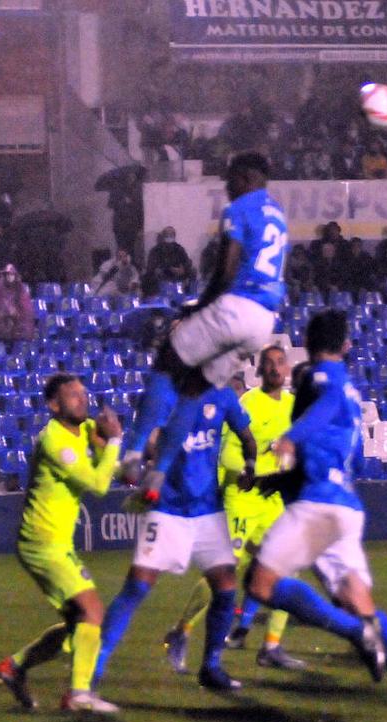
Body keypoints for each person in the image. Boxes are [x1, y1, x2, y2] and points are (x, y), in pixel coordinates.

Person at [245, 310, 387, 722]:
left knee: (260, 583)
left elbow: (325, 407)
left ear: (307, 341)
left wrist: (291, 437)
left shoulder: (321, 378)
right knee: (363, 606)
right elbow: (340, 439)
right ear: (348, 344)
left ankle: (358, 636)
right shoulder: (351, 387)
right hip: (343, 506)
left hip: (317, 507)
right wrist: (279, 479)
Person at [122, 152, 288, 480]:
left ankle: (134, 453)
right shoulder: (277, 215)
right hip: (264, 321)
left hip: (237, 307)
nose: (227, 186)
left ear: (243, 177)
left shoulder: (239, 209)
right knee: (194, 389)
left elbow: (225, 272)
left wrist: (198, 305)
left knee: (168, 360)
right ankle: (159, 475)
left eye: (229, 179)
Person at [94, 369, 257, 692]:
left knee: (225, 589)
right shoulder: (167, 394)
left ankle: (211, 667)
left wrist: (251, 466)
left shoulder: (223, 395)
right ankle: (93, 665)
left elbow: (248, 438)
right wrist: (151, 452)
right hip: (169, 508)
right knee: (138, 586)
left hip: (207, 510)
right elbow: (150, 440)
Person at [162, 344, 305, 671]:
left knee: (289, 564)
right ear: (259, 371)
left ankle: (271, 647)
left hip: (270, 501)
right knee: (222, 574)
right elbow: (226, 453)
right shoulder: (247, 404)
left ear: (286, 369)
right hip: (242, 498)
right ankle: (180, 632)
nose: (274, 369)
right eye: (268, 364)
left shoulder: (294, 406)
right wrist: (249, 469)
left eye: (280, 363)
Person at [0, 374, 123, 713]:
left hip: (55, 542)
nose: (83, 399)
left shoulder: (83, 430)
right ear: (54, 405)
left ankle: (15, 667)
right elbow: (97, 484)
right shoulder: (55, 441)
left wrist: (121, 456)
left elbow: (108, 468)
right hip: (42, 543)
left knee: (77, 627)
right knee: (92, 612)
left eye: (84, 393)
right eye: (73, 395)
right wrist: (113, 445)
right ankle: (79, 695)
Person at [0, 264, 35, 342]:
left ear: (15, 276)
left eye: (11, 274)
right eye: (7, 274)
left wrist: (15, 312)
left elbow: (26, 308)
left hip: (15, 319)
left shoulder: (20, 288)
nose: (9, 276)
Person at [143, 227, 196, 297]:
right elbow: (151, 266)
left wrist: (183, 269)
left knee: (193, 271)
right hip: (162, 274)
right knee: (150, 276)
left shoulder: (179, 248)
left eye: (171, 235)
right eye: (167, 235)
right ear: (163, 236)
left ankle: (190, 296)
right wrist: (169, 268)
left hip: (177, 275)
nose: (169, 237)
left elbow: (186, 261)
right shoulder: (156, 250)